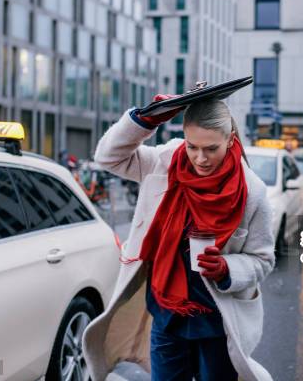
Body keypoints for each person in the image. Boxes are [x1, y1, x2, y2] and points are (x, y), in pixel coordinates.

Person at [82, 95, 276, 381]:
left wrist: (227, 268)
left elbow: (263, 259)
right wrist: (147, 119)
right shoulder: (166, 161)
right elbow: (108, 158)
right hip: (165, 313)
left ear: (230, 138)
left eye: (211, 148)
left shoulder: (253, 192)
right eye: (192, 146)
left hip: (217, 323)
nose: (200, 158)